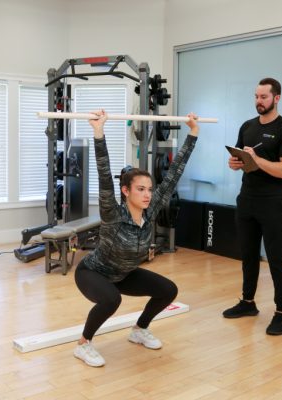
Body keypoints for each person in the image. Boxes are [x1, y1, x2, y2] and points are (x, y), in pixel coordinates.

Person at [73, 109, 200, 367]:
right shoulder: (113, 213)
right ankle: (84, 344)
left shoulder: (150, 211)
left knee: (168, 290)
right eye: (140, 189)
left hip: (124, 273)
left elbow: (174, 173)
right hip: (93, 273)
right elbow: (104, 174)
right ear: (126, 191)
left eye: (150, 190)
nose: (147, 195)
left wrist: (193, 133)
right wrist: (99, 133)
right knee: (111, 300)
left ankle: (139, 329)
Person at [222, 77, 282, 336]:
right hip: (247, 198)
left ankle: (281, 313)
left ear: (276, 98)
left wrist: (257, 159)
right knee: (248, 254)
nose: (259, 101)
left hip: (273, 202)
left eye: (264, 97)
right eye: (256, 96)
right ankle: (247, 302)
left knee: (276, 258)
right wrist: (236, 163)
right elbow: (241, 160)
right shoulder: (247, 126)